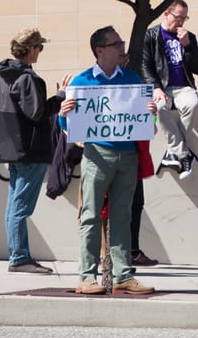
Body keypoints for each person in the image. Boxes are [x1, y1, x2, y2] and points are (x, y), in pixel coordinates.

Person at [59, 26, 150, 295]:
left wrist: (151, 112)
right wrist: (64, 113)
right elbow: (68, 124)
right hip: (97, 154)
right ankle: (86, 276)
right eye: (116, 44)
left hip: (128, 154)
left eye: (121, 43)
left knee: (122, 216)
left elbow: (145, 120)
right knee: (90, 215)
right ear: (100, 50)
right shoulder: (82, 82)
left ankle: (123, 275)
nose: (122, 47)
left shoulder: (133, 79)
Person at [0, 27, 61, 274]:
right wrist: (60, 97)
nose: (40, 52)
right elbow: (37, 113)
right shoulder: (28, 78)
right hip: (30, 150)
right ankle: (19, 257)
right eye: (40, 47)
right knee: (21, 207)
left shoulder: (1, 77)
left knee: (13, 206)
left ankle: (18, 255)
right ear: (31, 49)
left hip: (11, 148)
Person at [138, 0, 198, 178]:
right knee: (158, 107)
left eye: (185, 18)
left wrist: (188, 46)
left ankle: (174, 152)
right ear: (166, 14)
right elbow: (144, 64)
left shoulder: (189, 37)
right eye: (178, 17)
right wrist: (155, 87)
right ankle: (183, 154)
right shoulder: (150, 36)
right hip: (162, 87)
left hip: (184, 87)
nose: (181, 22)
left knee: (193, 105)